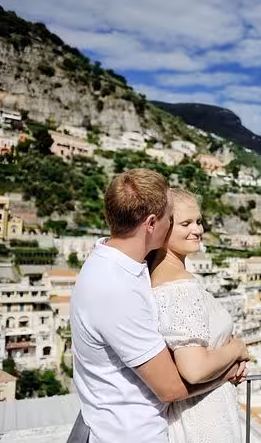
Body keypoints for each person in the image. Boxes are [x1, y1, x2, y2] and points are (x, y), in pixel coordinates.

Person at [69, 169, 245, 443]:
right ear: (152, 223)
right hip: (131, 435)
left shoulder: (118, 262)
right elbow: (171, 388)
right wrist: (231, 362)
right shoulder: (115, 287)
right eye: (170, 218)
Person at [150, 188, 249, 442]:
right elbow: (194, 369)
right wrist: (237, 349)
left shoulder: (159, 277)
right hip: (205, 416)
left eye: (199, 221)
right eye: (186, 223)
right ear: (162, 229)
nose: (198, 229)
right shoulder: (180, 286)